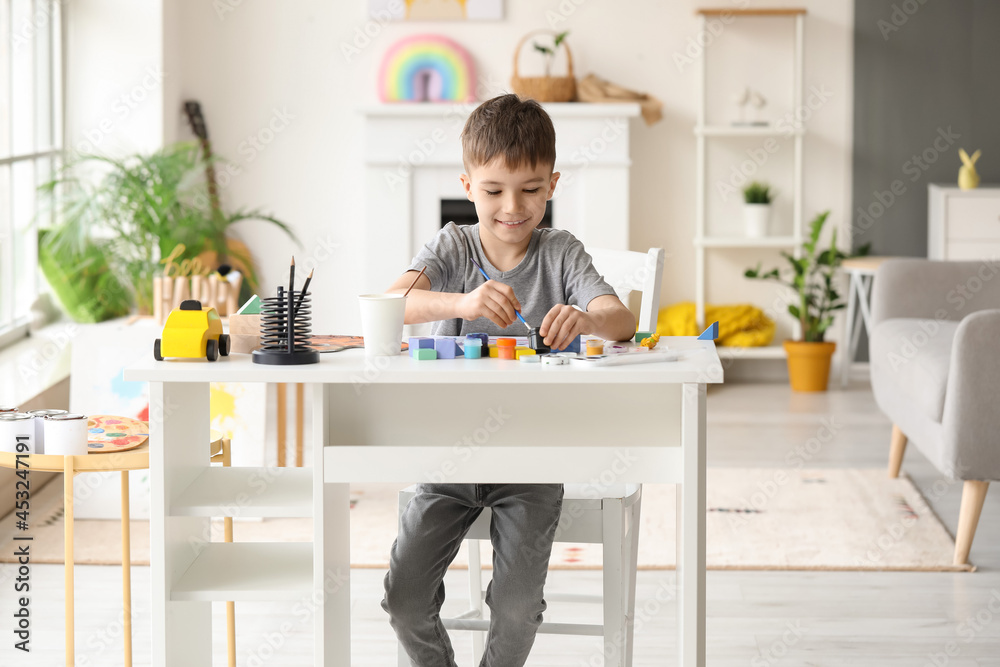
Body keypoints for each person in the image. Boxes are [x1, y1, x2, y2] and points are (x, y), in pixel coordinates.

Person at [381, 93, 635, 667]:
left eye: (530, 188)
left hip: (532, 456)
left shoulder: (561, 252)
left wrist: (588, 318)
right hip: (446, 456)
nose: (512, 206)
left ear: (552, 185)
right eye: (494, 190)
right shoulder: (452, 245)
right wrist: (463, 302)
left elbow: (622, 319)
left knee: (518, 608)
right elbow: (391, 302)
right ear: (468, 185)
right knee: (403, 598)